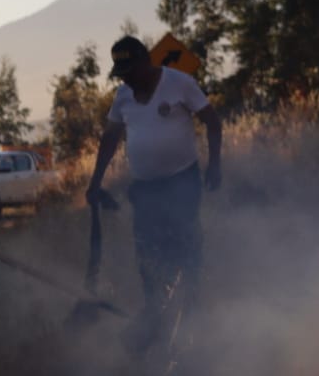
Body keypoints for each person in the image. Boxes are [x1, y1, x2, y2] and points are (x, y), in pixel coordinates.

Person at [85, 34, 222, 353]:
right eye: (121, 74)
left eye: (131, 71)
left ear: (147, 62)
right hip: (145, 188)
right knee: (147, 254)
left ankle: (190, 321)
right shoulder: (123, 96)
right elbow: (109, 139)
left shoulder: (179, 83)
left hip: (182, 182)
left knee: (186, 248)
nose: (127, 79)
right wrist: (95, 182)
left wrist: (215, 165)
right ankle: (156, 317)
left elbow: (213, 122)